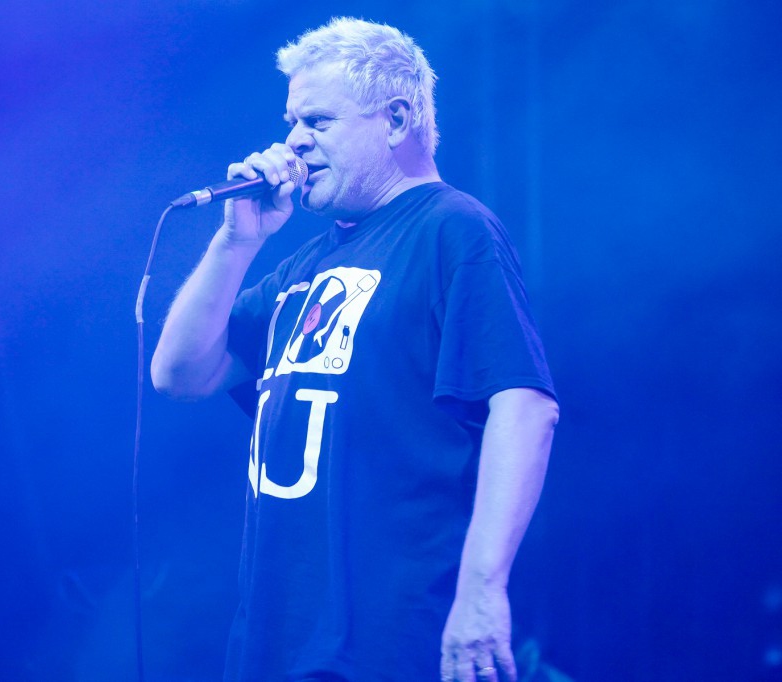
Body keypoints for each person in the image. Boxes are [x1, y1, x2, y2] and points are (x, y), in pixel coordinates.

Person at [151, 17, 559, 682]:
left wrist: (483, 592)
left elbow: (525, 407)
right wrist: (237, 241)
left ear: (395, 120)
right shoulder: (305, 266)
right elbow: (180, 372)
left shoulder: (452, 229)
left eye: (317, 121)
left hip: (387, 643)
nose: (293, 141)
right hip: (273, 647)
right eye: (292, 122)